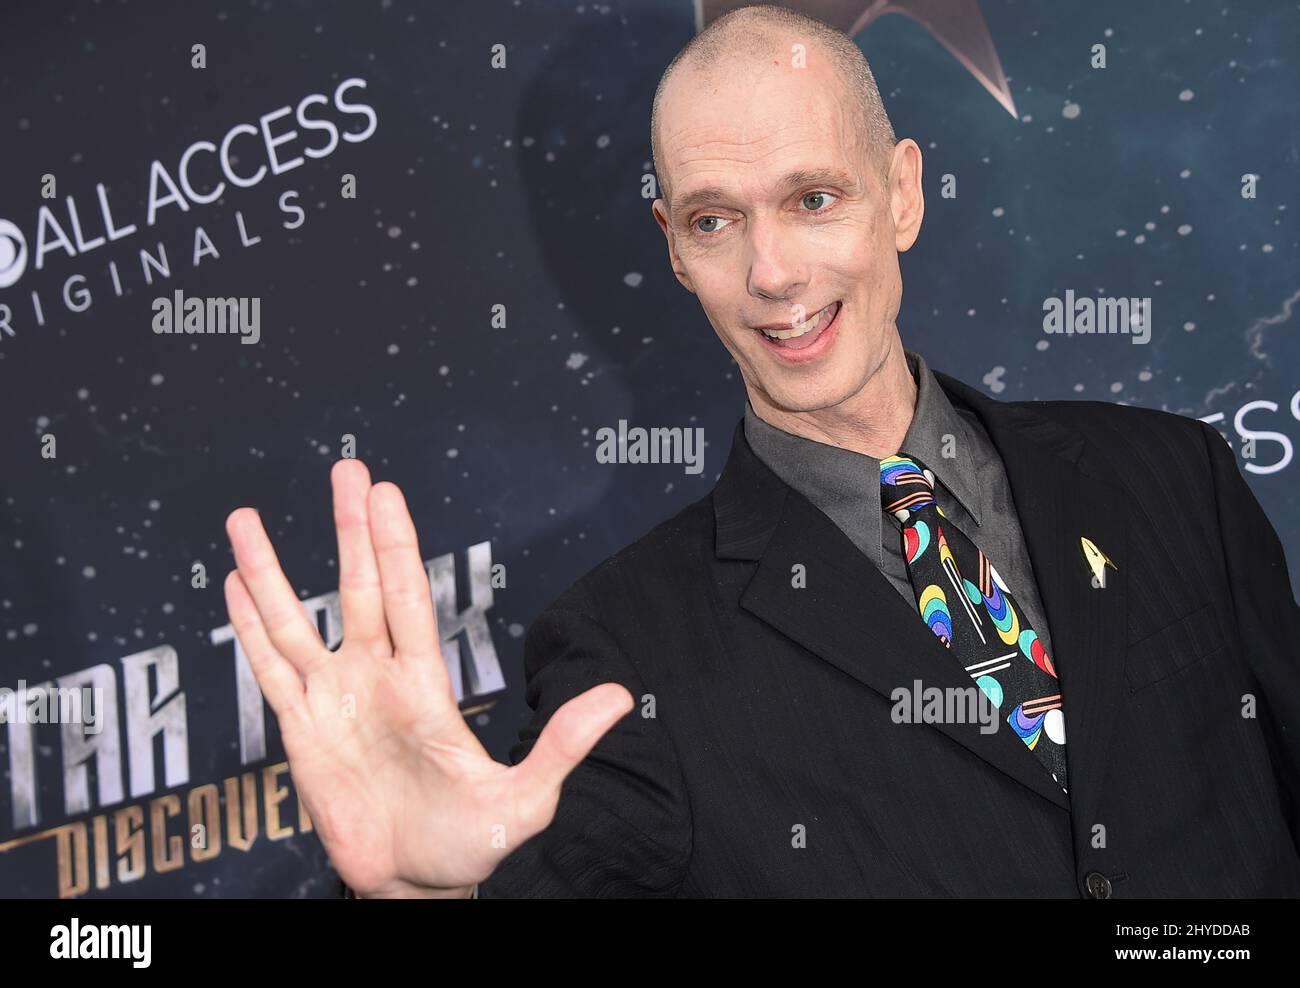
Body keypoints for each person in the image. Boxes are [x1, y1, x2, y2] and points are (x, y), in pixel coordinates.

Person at [221, 5, 1300, 897]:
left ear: (904, 193)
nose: (771, 272)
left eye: (812, 198)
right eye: (713, 221)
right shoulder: (624, 652)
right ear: (675, 253)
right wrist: (434, 892)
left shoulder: (1172, 479)